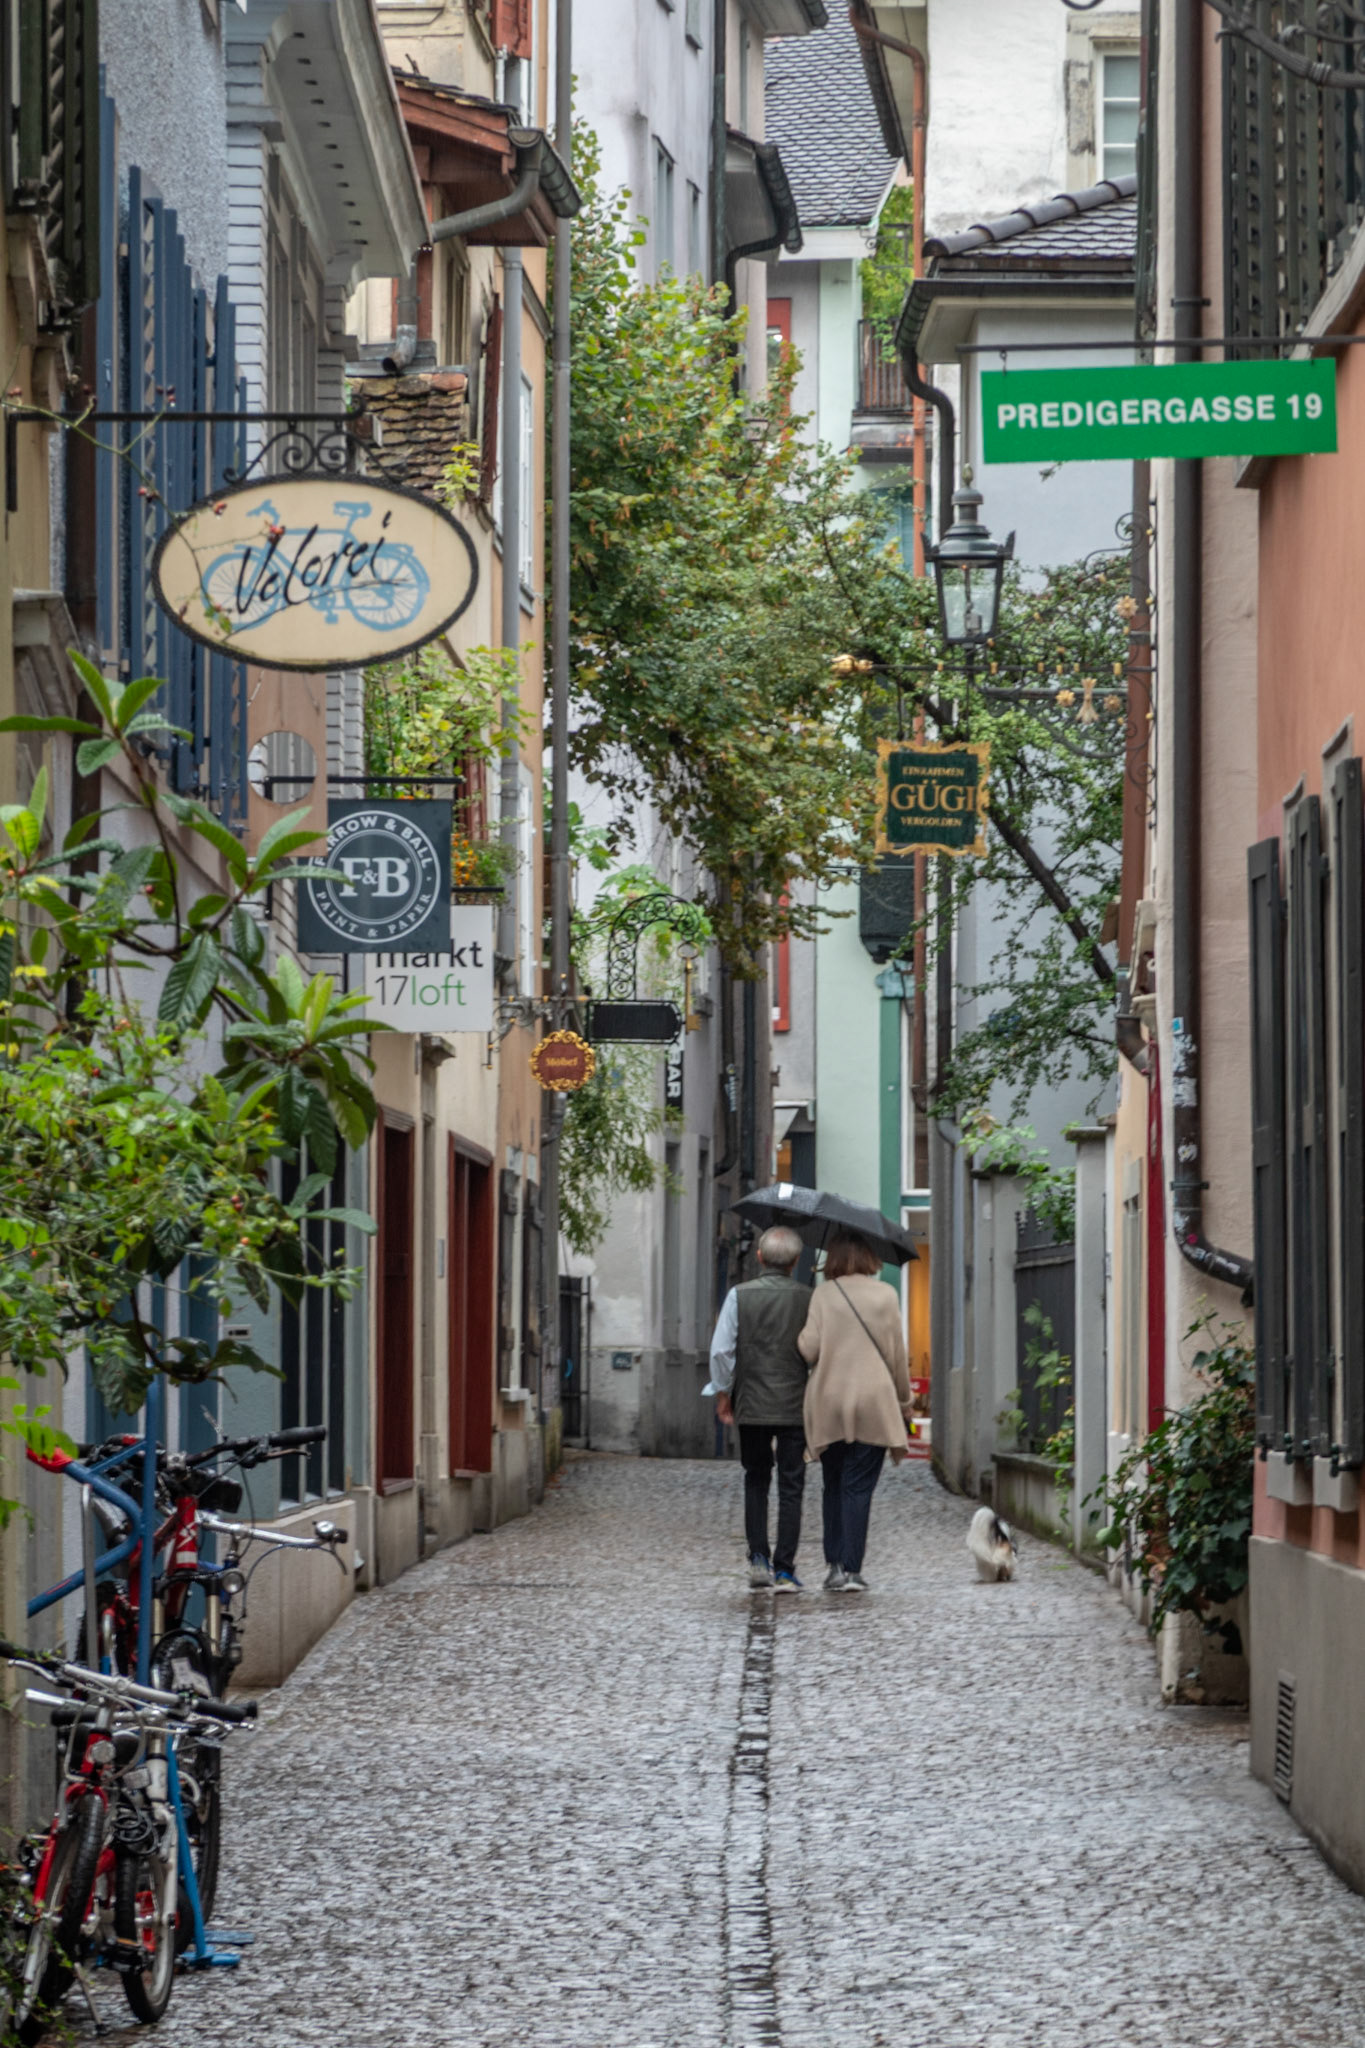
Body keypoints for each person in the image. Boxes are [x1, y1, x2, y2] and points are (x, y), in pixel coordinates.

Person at [798, 1229, 914, 1593]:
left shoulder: (823, 1294)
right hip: (875, 1403)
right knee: (859, 1487)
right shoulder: (886, 1295)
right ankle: (853, 1569)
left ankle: (833, 1566)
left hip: (830, 1401)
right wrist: (905, 1402)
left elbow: (808, 1350)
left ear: (831, 1256)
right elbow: (897, 1356)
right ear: (869, 1256)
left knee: (833, 1484)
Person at [709, 1225, 813, 1593]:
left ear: (759, 1257)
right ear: (796, 1261)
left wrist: (724, 1393)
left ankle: (758, 1560)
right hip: (793, 1405)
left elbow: (722, 1350)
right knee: (791, 1485)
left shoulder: (739, 1296)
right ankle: (785, 1569)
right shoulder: (807, 1297)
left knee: (756, 1479)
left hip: (751, 1403)